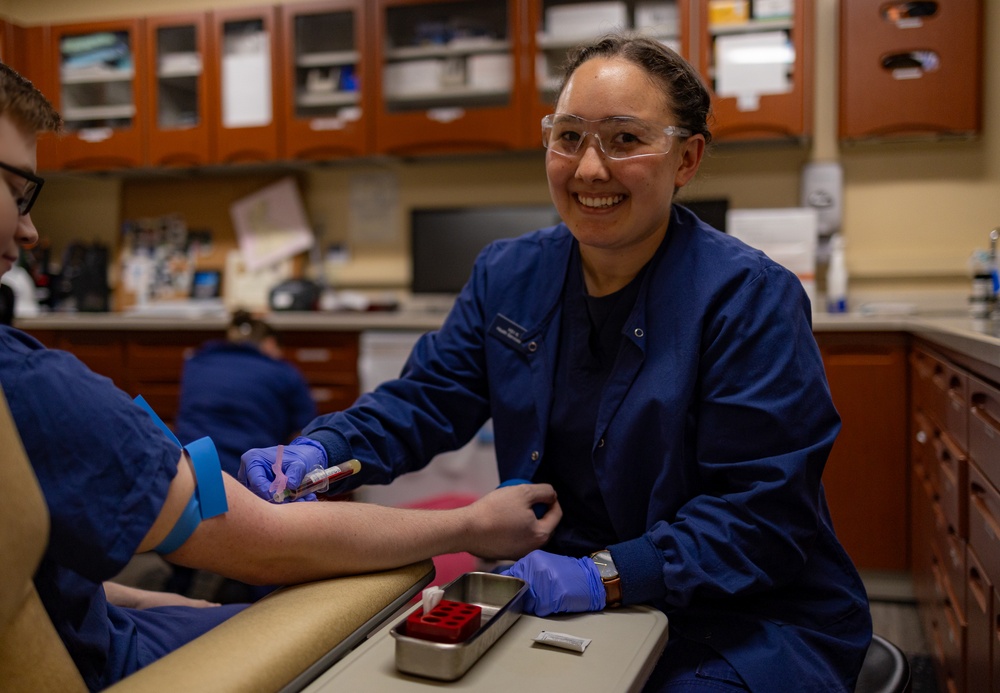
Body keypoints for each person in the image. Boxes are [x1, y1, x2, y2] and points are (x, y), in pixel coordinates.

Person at [241, 33, 872, 692]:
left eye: (625, 139)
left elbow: (761, 515)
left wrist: (603, 574)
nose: (589, 169)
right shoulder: (509, 275)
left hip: (742, 617)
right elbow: (425, 399)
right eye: (568, 137)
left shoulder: (746, 298)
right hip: (558, 594)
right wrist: (324, 449)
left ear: (687, 158)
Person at [0, 63, 560, 691]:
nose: (31, 229)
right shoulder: (32, 387)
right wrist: (470, 524)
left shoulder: (190, 362)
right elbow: (267, 541)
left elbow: (31, 584)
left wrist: (169, 604)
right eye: (19, 190)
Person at [176, 309, 317, 479]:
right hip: (248, 474)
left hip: (188, 467)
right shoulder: (284, 373)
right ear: (270, 343)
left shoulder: (197, 362)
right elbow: (303, 436)